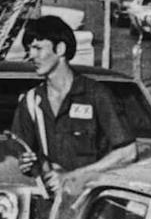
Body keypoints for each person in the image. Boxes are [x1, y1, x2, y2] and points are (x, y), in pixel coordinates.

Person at [11, 15, 137, 196]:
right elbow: (28, 156)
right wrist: (27, 163)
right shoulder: (31, 101)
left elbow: (128, 153)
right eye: (30, 49)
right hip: (53, 204)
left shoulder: (97, 95)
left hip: (93, 203)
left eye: (38, 48)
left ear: (60, 49)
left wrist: (74, 176)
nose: (31, 55)